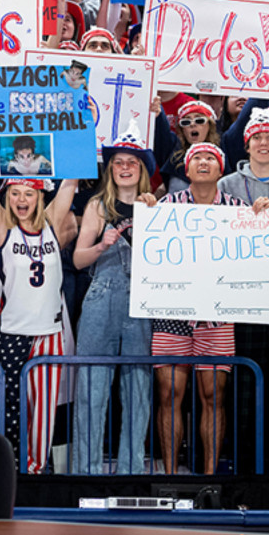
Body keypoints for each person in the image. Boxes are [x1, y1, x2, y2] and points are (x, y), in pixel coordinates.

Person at [152, 143, 254, 474]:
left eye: (211, 157)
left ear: (221, 168)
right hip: (172, 315)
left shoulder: (239, 209)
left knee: (214, 398)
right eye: (197, 157)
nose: (204, 162)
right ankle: (169, 476)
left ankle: (210, 478)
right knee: (169, 396)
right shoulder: (167, 206)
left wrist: (262, 217)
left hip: (217, 315)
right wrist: (145, 209)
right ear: (187, 168)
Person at [0, 176, 77, 473]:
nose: (21, 200)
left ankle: (36, 474)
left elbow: (70, 182)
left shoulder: (52, 225)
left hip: (48, 335)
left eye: (28, 193)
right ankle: (9, 473)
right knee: (9, 416)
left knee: (43, 415)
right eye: (15, 193)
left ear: (39, 196)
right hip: (10, 336)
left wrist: (81, 137)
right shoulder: (3, 229)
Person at [71, 121, 157, 475]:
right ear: (110, 169)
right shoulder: (96, 206)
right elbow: (77, 260)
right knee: (92, 385)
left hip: (143, 302)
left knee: (138, 389)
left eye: (132, 162)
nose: (124, 167)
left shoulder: (157, 206)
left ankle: (132, 472)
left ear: (142, 170)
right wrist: (99, 246)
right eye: (119, 161)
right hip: (101, 299)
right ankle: (85, 474)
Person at [217, 108, 269, 473]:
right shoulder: (226, 185)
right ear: (246, 143)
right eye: (258, 137)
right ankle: (245, 468)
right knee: (246, 387)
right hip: (242, 299)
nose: (264, 143)